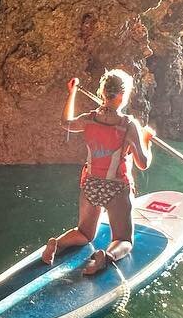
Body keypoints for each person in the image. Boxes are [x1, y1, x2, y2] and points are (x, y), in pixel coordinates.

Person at [40, 69, 153, 277]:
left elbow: (65, 122)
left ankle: (57, 243)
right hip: (116, 188)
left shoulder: (89, 119)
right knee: (124, 239)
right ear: (121, 96)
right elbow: (143, 163)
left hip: (90, 185)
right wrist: (146, 140)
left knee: (84, 233)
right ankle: (106, 256)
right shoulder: (129, 125)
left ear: (102, 93)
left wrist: (72, 92)